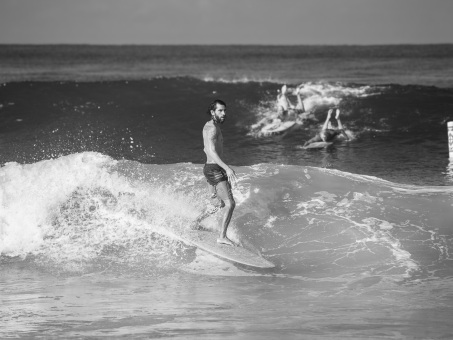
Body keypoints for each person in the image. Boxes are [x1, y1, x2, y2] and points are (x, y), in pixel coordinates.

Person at [190, 99, 238, 246]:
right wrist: (227, 167)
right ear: (213, 112)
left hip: (212, 168)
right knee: (230, 204)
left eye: (224, 110)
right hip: (214, 170)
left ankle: (195, 222)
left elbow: (206, 149)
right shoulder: (211, 128)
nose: (224, 113)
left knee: (218, 204)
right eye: (220, 111)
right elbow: (210, 150)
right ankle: (222, 237)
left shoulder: (213, 126)